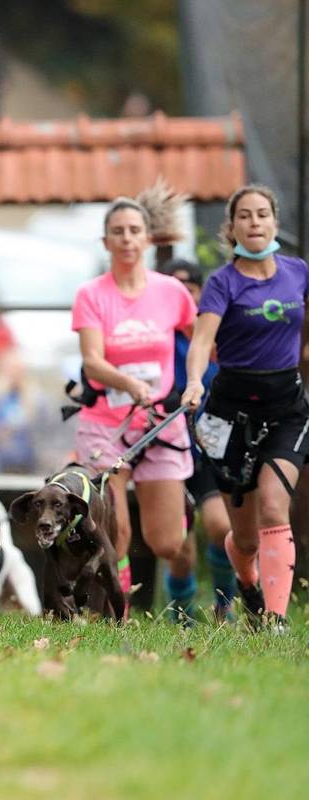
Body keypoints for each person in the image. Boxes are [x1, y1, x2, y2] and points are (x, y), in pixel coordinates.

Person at [183, 185, 306, 631]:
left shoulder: (297, 273)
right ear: (232, 227)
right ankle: (248, 585)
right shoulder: (222, 282)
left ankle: (275, 618)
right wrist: (195, 381)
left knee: (275, 506)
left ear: (274, 221)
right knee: (246, 538)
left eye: (262, 214)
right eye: (245, 216)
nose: (255, 223)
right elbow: (200, 342)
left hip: (286, 408)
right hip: (229, 415)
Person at [72, 197, 197, 619]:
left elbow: (203, 338)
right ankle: (118, 617)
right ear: (106, 240)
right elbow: (92, 360)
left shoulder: (171, 291)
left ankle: (185, 512)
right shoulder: (91, 294)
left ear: (147, 238)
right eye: (118, 231)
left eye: (134, 231)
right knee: (117, 532)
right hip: (106, 424)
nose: (127, 239)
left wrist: (195, 380)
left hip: (159, 423)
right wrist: (128, 383)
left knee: (166, 543)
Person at [159, 258, 236, 621]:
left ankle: (226, 605)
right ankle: (181, 616)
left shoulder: (212, 339)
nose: (181, 292)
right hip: (164, 450)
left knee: (222, 527)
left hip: (206, 448)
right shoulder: (156, 336)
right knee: (179, 546)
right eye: (173, 285)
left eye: (189, 285)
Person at [0, 350, 46, 475]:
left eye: (19, 369)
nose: (15, 373)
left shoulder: (34, 397)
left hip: (27, 464)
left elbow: (45, 427)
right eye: (12, 369)